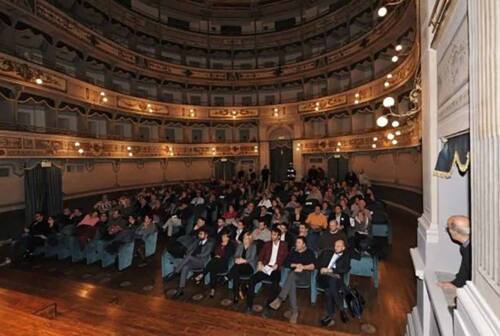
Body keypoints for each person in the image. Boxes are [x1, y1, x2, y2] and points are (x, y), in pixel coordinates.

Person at [268, 236, 316, 323]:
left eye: (299, 243)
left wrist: (303, 267)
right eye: (296, 242)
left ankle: (280, 298)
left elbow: (313, 266)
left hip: (304, 276)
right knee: (292, 279)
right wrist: (295, 265)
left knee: (291, 275)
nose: (296, 244)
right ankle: (295, 312)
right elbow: (286, 263)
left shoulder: (310, 252)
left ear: (304, 244)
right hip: (293, 276)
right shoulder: (293, 251)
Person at [245, 227, 288, 313]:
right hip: (266, 267)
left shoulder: (284, 245)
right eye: (272, 234)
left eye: (274, 235)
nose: (272, 236)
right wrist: (260, 262)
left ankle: (269, 304)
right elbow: (261, 255)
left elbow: (284, 257)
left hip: (275, 268)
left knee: (275, 284)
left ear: (279, 236)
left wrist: (277, 265)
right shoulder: (267, 244)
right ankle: (249, 304)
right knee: (252, 279)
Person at [166, 228, 215, 298]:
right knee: (185, 267)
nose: (199, 235)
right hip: (192, 260)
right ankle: (180, 289)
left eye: (201, 234)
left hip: (202, 262)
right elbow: (189, 248)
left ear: (206, 235)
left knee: (189, 257)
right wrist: (189, 253)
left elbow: (205, 254)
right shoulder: (197, 241)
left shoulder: (210, 243)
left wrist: (193, 255)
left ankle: (175, 272)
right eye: (199, 234)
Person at [317, 239, 352, 327]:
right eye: (335, 245)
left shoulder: (345, 256)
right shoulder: (327, 253)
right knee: (331, 286)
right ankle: (341, 309)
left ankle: (330, 315)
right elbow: (318, 262)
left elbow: (346, 269)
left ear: (343, 247)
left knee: (329, 291)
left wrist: (332, 270)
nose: (336, 248)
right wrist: (322, 268)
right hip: (324, 277)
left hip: (335, 277)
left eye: (339, 246)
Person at [197, 230, 235, 297]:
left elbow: (229, 255)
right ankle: (212, 290)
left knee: (214, 261)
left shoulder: (231, 245)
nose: (222, 238)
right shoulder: (218, 243)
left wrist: (220, 256)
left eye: (224, 236)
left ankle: (203, 274)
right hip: (215, 263)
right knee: (213, 270)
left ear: (228, 237)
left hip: (224, 264)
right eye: (222, 236)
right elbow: (213, 252)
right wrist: (216, 255)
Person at [438, 215, 471, 289]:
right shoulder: (467, 245)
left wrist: (456, 284)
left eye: (448, 228)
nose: (448, 230)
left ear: (455, 232)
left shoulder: (469, 249)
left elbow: (467, 269)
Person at [228, 232, 257, 303]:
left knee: (236, 268)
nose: (245, 240)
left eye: (247, 238)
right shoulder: (240, 245)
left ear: (250, 239)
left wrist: (243, 260)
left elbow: (252, 258)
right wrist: (238, 259)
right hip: (239, 266)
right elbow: (236, 255)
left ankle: (228, 276)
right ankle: (236, 295)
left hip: (249, 266)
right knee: (236, 274)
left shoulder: (253, 246)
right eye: (244, 238)